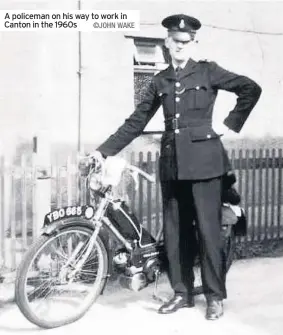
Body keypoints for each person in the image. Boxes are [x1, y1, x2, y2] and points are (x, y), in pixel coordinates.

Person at [95, 14, 262, 320]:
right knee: (175, 234)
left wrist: (229, 125)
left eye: (186, 41)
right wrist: (104, 151)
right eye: (175, 41)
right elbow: (137, 121)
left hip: (206, 164)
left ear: (193, 42)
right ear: (167, 43)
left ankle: (214, 296)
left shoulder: (208, 71)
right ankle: (182, 293)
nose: (181, 46)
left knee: (209, 233)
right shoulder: (159, 81)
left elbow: (250, 88)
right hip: (172, 166)